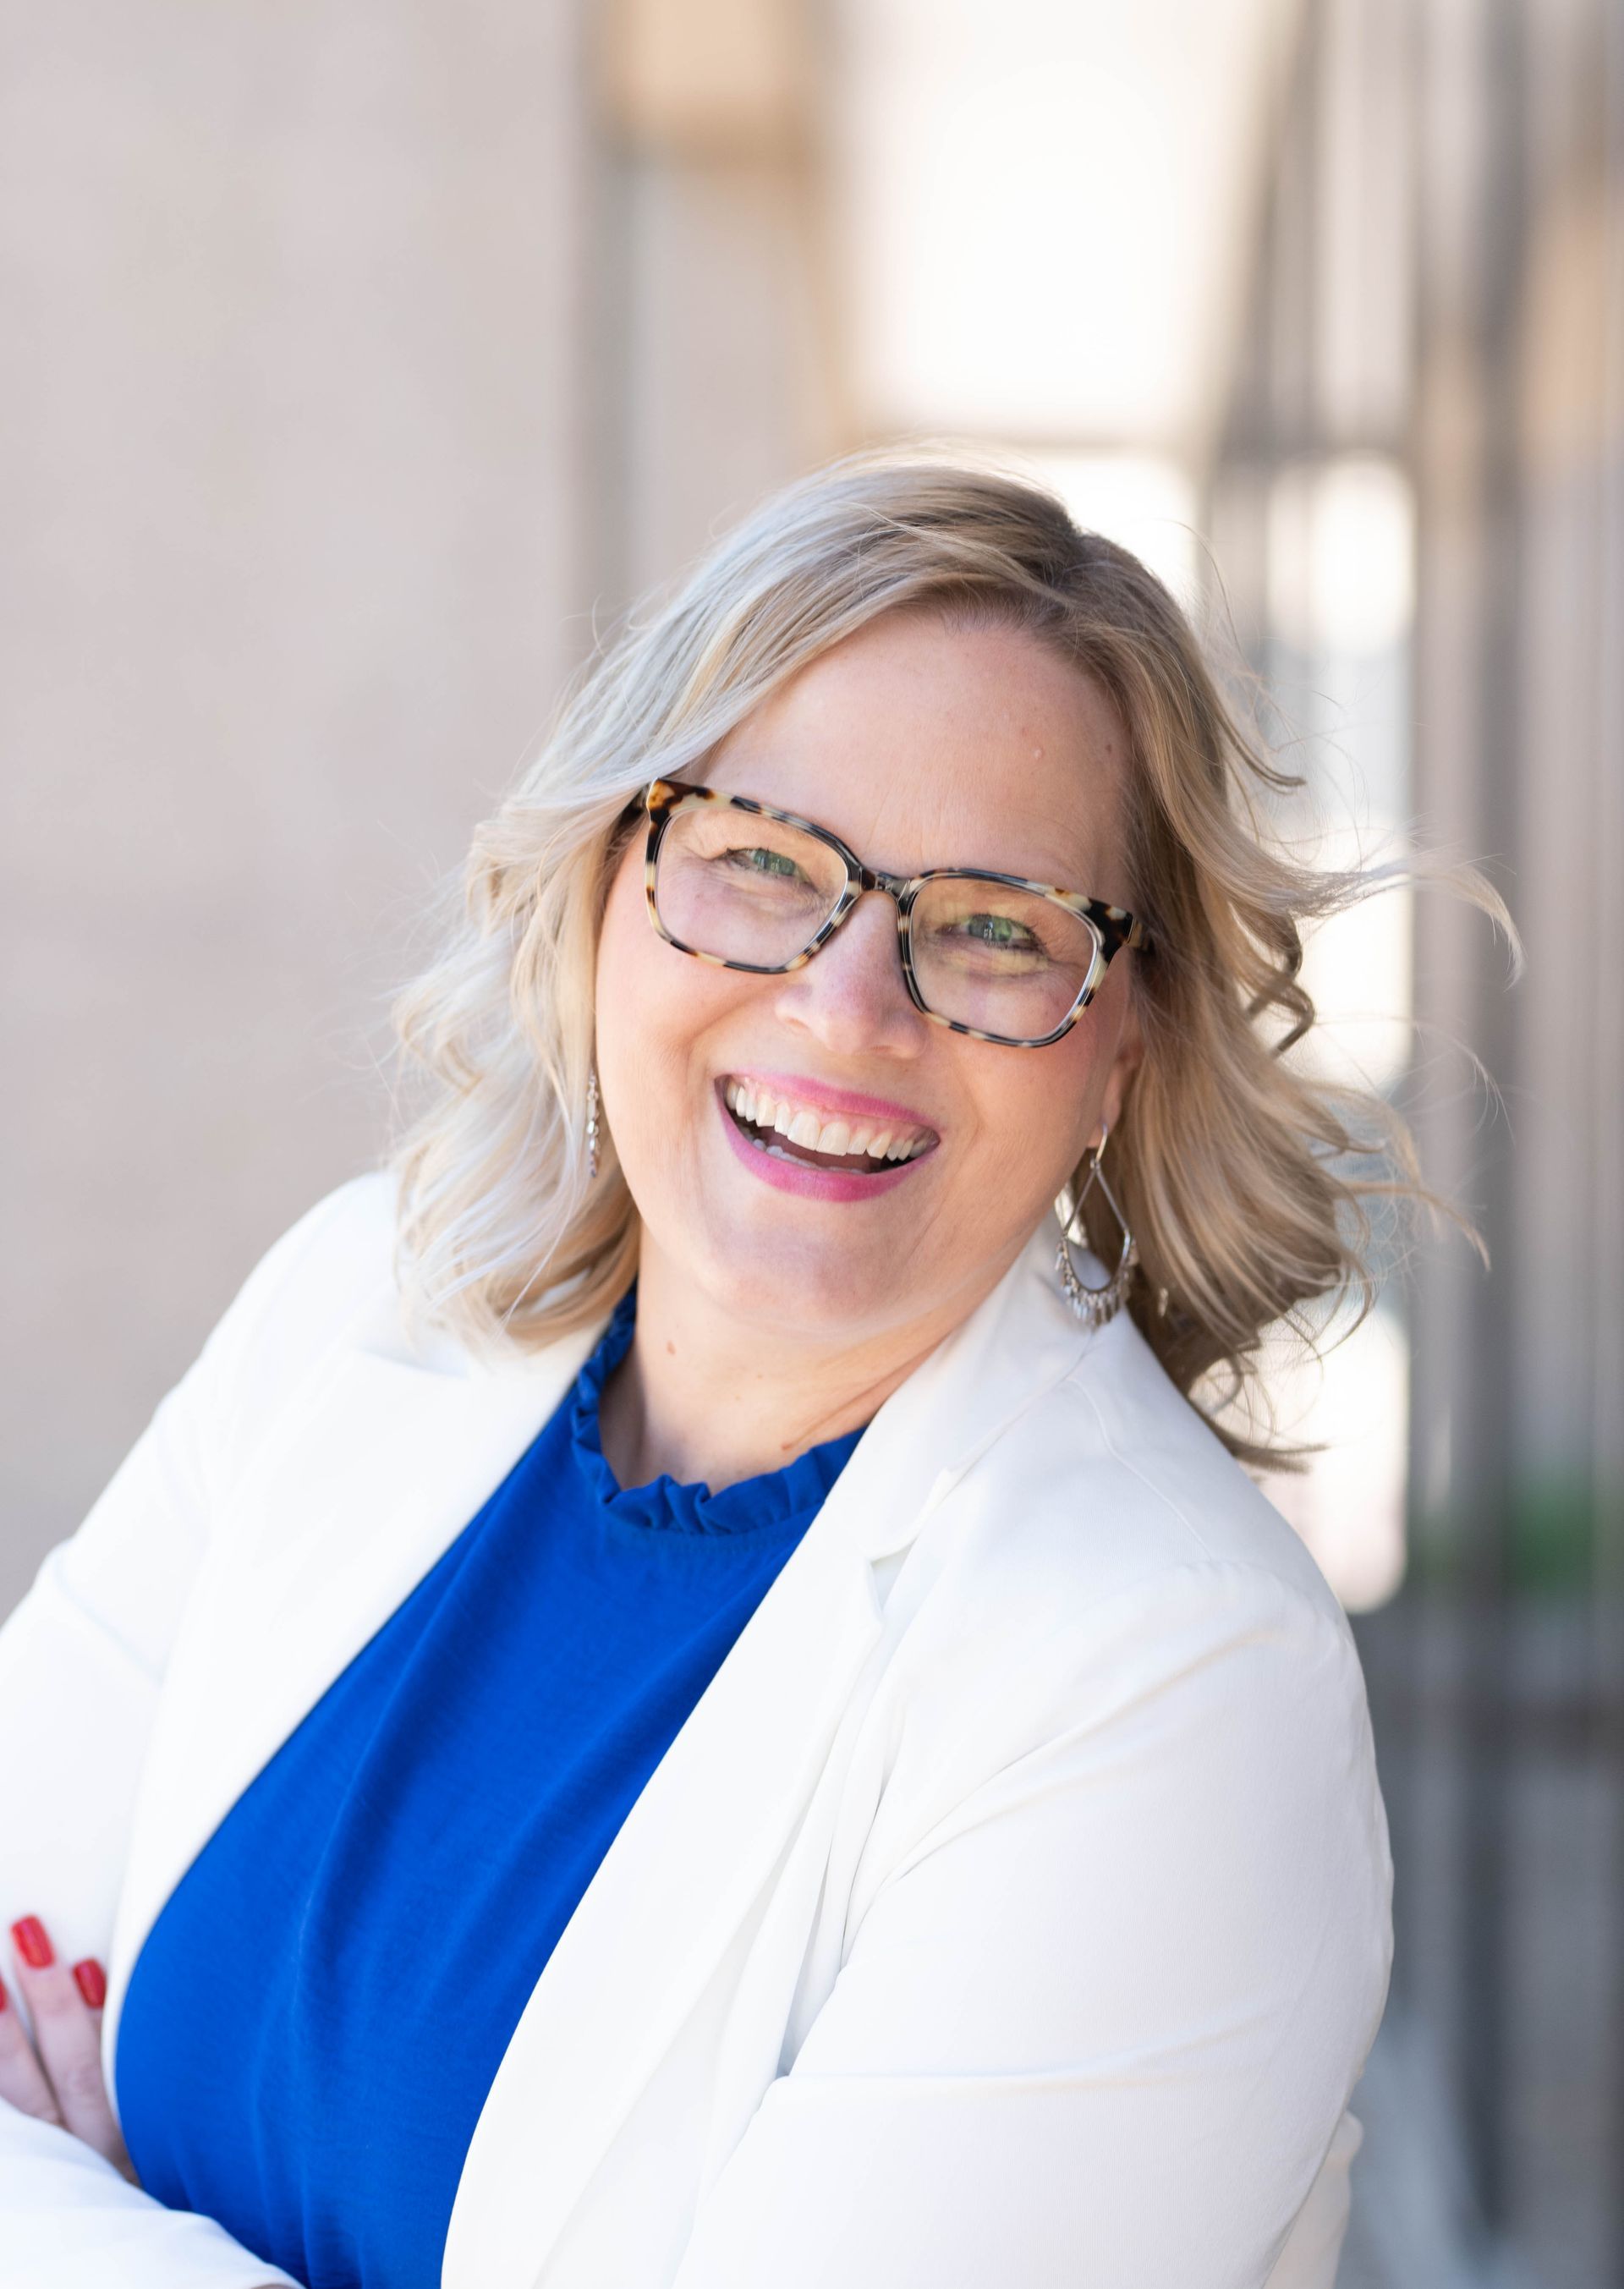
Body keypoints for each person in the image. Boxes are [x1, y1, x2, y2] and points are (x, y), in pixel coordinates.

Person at [0, 450, 1490, 2287]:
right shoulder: (358, 1305)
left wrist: (83, 2205)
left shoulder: (1172, 1683)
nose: (847, 1003)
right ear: (613, 876)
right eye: (764, 864)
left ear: (1124, 1041)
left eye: (996, 929)